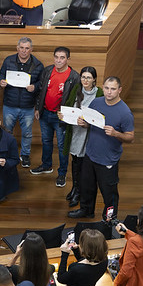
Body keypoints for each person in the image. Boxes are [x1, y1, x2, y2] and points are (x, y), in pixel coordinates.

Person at [69, 76, 135, 219]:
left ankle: (110, 218)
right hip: (90, 154)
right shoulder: (96, 102)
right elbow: (90, 123)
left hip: (108, 159)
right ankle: (86, 210)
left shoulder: (125, 113)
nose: (109, 92)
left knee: (109, 193)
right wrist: (84, 124)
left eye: (113, 89)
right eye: (106, 88)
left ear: (119, 90)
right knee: (87, 186)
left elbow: (130, 137)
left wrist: (116, 133)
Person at [31, 46, 79, 187]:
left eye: (62, 58)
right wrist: (38, 107)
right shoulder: (47, 71)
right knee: (46, 141)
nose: (58, 60)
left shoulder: (74, 77)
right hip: (45, 113)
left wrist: (67, 115)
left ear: (68, 59)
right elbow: (41, 91)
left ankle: (62, 173)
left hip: (61, 117)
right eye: (56, 57)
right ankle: (46, 165)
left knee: (62, 145)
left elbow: (76, 99)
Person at [59, 66, 102, 208]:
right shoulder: (77, 89)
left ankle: (80, 193)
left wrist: (88, 125)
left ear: (94, 79)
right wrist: (62, 115)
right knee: (75, 162)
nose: (85, 80)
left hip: (88, 135)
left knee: (84, 166)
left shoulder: (99, 94)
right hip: (75, 133)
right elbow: (68, 106)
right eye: (83, 77)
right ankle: (75, 188)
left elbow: (100, 119)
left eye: (89, 77)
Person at [0, 37, 43, 168]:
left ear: (31, 49)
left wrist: (34, 87)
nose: (24, 51)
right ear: (17, 48)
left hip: (28, 106)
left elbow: (42, 83)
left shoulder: (38, 65)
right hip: (9, 104)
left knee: (27, 133)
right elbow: (1, 75)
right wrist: (1, 82)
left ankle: (25, 155)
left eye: (27, 48)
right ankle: (7, 153)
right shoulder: (8, 60)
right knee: (7, 132)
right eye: (22, 48)